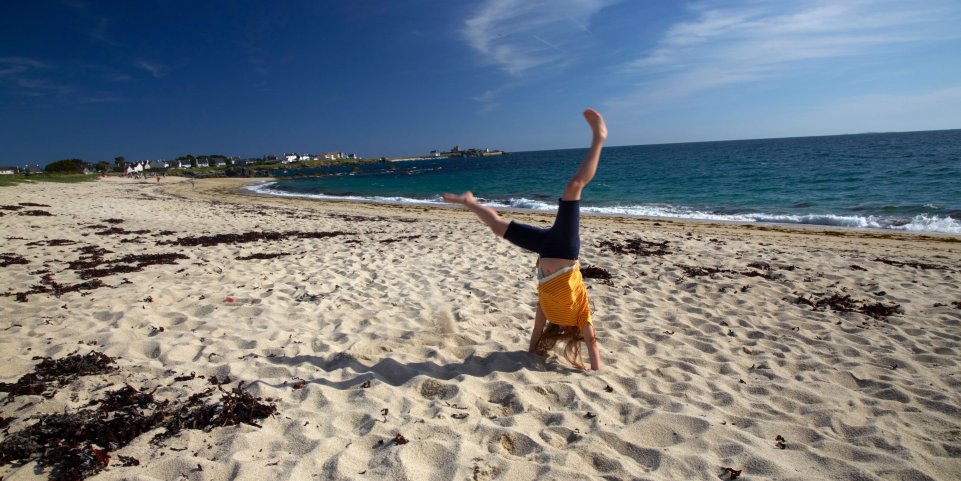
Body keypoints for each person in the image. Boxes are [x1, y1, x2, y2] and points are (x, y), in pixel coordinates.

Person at [443, 108, 607, 371]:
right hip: (565, 251)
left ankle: (469, 202)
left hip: (544, 248)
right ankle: (599, 138)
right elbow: (592, 343)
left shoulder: (548, 312)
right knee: (574, 186)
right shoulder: (581, 316)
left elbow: (535, 332)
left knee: (498, 227)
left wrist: (532, 353)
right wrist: (596, 369)